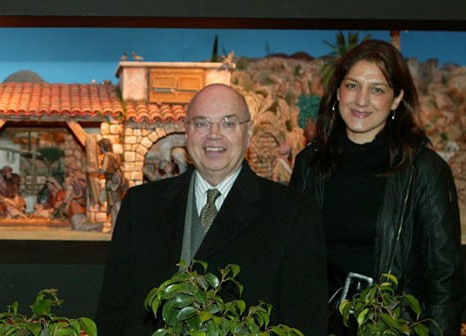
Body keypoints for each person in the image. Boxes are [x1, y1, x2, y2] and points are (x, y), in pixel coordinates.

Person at [96, 84, 327, 335]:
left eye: (228, 123)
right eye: (201, 123)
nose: (213, 135)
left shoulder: (293, 213)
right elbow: (113, 313)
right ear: (187, 132)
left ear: (248, 132)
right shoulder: (140, 206)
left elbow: (306, 324)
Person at [290, 40, 464, 336]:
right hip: (319, 325)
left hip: (396, 327)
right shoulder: (310, 164)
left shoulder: (425, 171)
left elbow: (444, 279)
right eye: (353, 85)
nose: (361, 100)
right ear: (338, 92)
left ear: (396, 99)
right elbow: (292, 257)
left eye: (378, 89)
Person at [93, 138, 129, 230]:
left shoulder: (107, 156)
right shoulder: (114, 155)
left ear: (102, 147)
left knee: (116, 205)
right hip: (115, 182)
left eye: (99, 147)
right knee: (113, 206)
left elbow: (104, 170)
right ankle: (113, 229)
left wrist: (92, 170)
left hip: (112, 183)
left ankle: (127, 225)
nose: (98, 149)